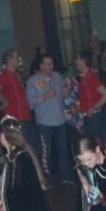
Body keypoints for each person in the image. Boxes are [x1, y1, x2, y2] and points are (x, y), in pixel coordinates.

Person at [27, 55, 72, 183]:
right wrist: (45, 96)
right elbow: (30, 103)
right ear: (41, 66)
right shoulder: (33, 81)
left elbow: (62, 96)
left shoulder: (57, 76)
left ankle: (65, 175)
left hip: (59, 119)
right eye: (47, 64)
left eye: (52, 64)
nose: (51, 67)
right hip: (45, 121)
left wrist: (66, 92)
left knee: (63, 148)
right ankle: (48, 178)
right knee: (47, 151)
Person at [0, 47, 41, 151]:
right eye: (16, 57)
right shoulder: (5, 75)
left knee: (35, 147)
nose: (19, 59)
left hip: (25, 116)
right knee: (26, 148)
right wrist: (4, 101)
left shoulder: (16, 75)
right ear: (10, 59)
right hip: (17, 117)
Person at [73, 51, 106, 142]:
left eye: (78, 58)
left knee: (97, 142)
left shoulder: (90, 77)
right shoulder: (84, 77)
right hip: (89, 115)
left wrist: (94, 107)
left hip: (94, 116)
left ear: (83, 61)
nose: (75, 61)